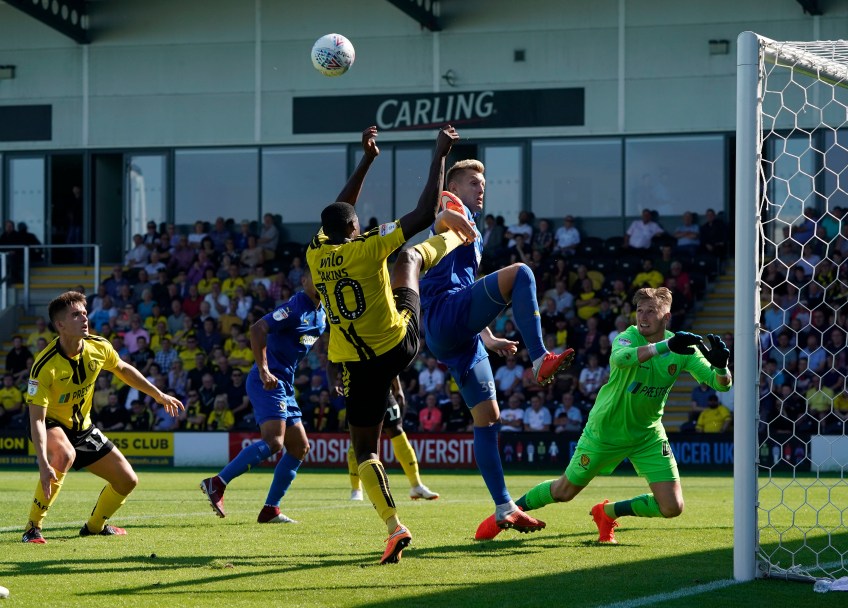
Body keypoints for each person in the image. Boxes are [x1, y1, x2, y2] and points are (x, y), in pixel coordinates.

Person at [305, 125, 475, 565]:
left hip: (355, 364)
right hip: (398, 343)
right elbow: (422, 212)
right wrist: (439, 154)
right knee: (410, 258)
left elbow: (338, 213)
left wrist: (367, 159)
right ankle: (457, 235)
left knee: (365, 451)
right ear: (354, 228)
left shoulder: (315, 255)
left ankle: (394, 525)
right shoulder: (368, 247)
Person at [475, 287, 732, 544]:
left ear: (666, 317)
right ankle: (507, 512)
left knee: (672, 507)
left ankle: (607, 512)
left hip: (647, 435)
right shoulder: (628, 337)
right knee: (564, 492)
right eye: (639, 310)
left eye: (651, 311)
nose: (643, 317)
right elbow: (622, 359)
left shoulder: (681, 347)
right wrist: (666, 346)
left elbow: (721, 385)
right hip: (604, 432)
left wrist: (721, 367)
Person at [418, 158, 575, 539]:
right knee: (522, 272)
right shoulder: (449, 215)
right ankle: (539, 358)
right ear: (454, 188)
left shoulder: (475, 232)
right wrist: (444, 211)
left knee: (488, 418)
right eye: (474, 183)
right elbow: (441, 220)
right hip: (442, 313)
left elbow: (467, 287)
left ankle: (504, 507)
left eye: (483, 184)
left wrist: (488, 337)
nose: (481, 189)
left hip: (460, 333)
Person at [22, 291, 183, 544]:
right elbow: (37, 420)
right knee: (64, 454)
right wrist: (43, 463)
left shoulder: (99, 346)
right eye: (76, 315)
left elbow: (123, 370)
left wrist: (158, 395)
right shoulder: (44, 367)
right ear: (60, 325)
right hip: (51, 424)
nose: (84, 318)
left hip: (83, 428)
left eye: (85, 313)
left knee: (127, 480)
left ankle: (94, 527)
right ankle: (33, 527)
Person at [347, 377, 440, 501]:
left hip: (384, 390)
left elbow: (388, 364)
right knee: (359, 438)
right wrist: (333, 385)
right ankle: (356, 489)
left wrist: (398, 387)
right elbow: (332, 366)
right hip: (359, 393)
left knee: (397, 431)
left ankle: (416, 486)